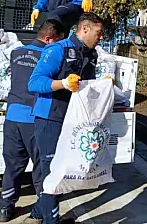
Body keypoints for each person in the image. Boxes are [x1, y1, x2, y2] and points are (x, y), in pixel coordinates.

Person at [28, 13, 104, 224]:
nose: (101, 38)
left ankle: (37, 212)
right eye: (99, 33)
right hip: (51, 118)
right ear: (85, 29)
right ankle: (50, 220)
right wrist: (62, 84)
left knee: (70, 170)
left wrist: (103, 86)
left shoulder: (91, 54)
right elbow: (34, 83)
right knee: (54, 172)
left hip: (75, 120)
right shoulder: (57, 50)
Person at [0, 20, 66, 222]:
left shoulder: (16, 53)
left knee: (12, 166)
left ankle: (5, 208)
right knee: (41, 167)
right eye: (58, 41)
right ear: (49, 39)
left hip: (11, 117)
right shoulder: (48, 56)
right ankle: (43, 208)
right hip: (33, 118)